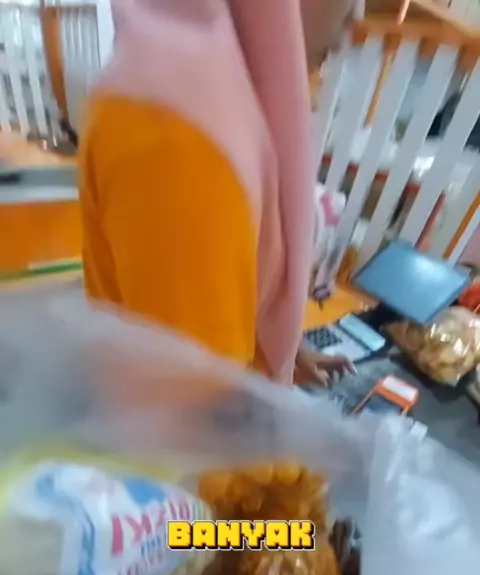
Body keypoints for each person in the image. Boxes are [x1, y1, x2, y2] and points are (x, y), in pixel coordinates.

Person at [79, 0, 355, 387]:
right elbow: (193, 406)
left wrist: (280, 352)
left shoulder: (211, 104)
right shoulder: (181, 144)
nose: (355, 16)